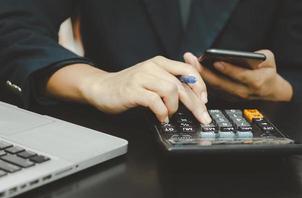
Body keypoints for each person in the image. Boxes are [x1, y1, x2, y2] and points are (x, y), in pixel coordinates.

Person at [0, 0, 301, 124]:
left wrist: (281, 89)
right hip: (111, 143)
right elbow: (13, 25)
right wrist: (98, 82)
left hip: (258, 157)